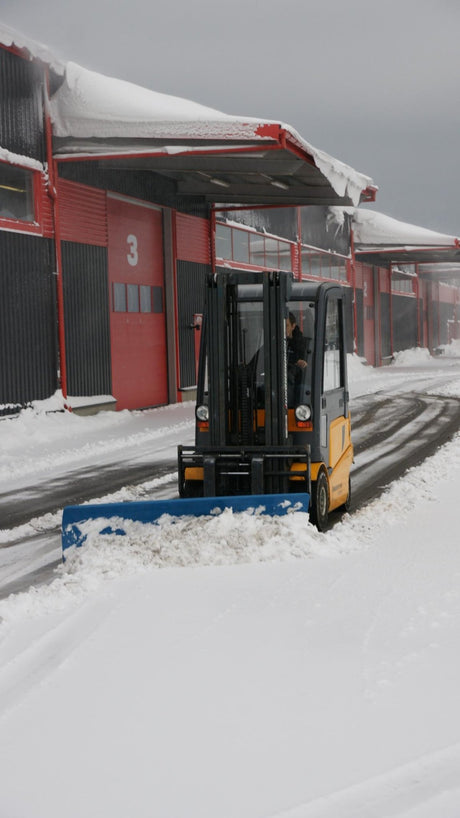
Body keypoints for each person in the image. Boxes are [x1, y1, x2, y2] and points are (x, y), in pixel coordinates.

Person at [286, 312, 308, 405]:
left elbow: (304, 363)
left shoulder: (301, 344)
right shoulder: (273, 343)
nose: (283, 329)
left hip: (296, 382)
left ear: (293, 326)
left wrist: (296, 362)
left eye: (286, 325)